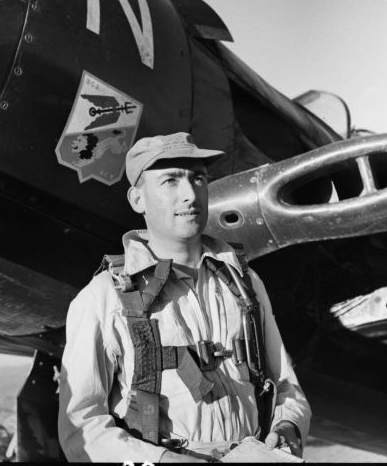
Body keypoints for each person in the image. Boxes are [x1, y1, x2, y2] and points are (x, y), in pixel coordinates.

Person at [58, 132, 311, 463]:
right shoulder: (103, 298)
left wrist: (288, 426)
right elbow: (82, 429)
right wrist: (162, 462)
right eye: (170, 181)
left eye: (198, 178)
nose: (190, 194)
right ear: (137, 200)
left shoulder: (244, 282)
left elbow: (286, 387)